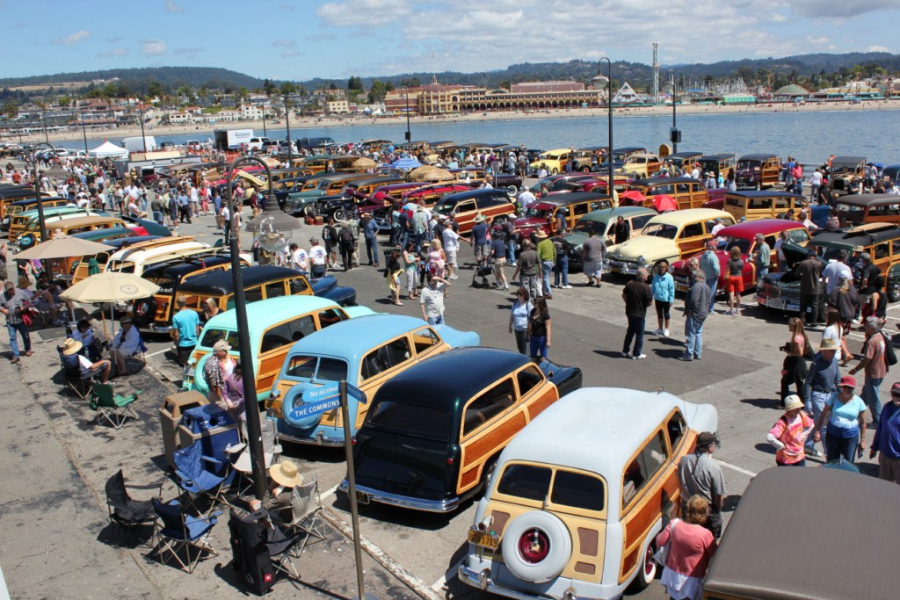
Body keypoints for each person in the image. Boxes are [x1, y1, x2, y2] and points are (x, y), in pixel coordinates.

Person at [655, 495, 717, 600]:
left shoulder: (674, 524)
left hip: (672, 575)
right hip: (692, 580)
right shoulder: (705, 534)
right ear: (704, 513)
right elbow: (715, 555)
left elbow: (659, 542)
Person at [677, 431, 725, 538]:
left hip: (688, 507)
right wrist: (717, 509)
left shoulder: (683, 460)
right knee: (708, 539)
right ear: (710, 447)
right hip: (705, 511)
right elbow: (719, 496)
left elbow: (679, 481)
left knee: (688, 536)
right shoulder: (713, 467)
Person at [813, 374, 868, 463]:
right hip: (833, 435)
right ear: (841, 387)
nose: (847, 389)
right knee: (832, 462)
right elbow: (823, 414)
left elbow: (863, 422)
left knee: (848, 463)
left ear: (853, 389)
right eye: (845, 387)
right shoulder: (834, 397)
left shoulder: (859, 402)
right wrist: (817, 431)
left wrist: (862, 440)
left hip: (850, 437)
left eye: (850, 388)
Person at [849, 317, 888, 426]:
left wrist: (856, 369)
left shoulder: (871, 341)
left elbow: (867, 359)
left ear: (871, 328)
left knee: (873, 398)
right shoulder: (880, 337)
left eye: (866, 325)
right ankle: (854, 412)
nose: (864, 326)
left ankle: (878, 420)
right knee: (866, 394)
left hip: (873, 373)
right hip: (881, 371)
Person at [767, 394, 815, 466]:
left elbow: (811, 425)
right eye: (795, 407)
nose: (798, 409)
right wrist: (780, 446)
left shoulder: (801, 415)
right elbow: (770, 437)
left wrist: (803, 436)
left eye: (798, 407)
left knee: (800, 476)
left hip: (799, 456)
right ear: (789, 409)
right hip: (785, 458)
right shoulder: (783, 421)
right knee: (787, 477)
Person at [870, 382, 900, 484]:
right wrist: (874, 447)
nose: (896, 397)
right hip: (885, 455)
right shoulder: (887, 407)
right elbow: (880, 429)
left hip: (898, 458)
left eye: (899, 395)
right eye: (894, 394)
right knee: (883, 486)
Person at [622, 267, 653, 360]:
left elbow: (623, 296)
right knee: (639, 334)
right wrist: (644, 306)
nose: (648, 275)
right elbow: (650, 302)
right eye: (647, 274)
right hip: (639, 314)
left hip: (630, 312)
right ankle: (636, 353)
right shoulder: (646, 287)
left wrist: (628, 303)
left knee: (630, 332)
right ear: (642, 276)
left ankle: (625, 351)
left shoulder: (629, 284)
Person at [0, 279, 32, 364]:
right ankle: (16, 355)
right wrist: (3, 310)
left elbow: (29, 302)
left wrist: (24, 307)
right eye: (9, 290)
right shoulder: (3, 296)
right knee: (12, 337)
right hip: (10, 320)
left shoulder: (20, 292)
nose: (11, 291)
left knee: (25, 335)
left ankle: (28, 349)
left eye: (12, 289)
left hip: (20, 318)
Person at [780, 317, 810, 406]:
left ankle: (783, 403)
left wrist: (789, 352)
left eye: (790, 325)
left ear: (794, 326)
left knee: (784, 381)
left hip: (796, 363)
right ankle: (802, 403)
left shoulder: (796, 338)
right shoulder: (801, 335)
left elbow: (800, 353)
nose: (788, 327)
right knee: (799, 383)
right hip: (800, 364)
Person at [681, 271, 710, 362]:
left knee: (691, 334)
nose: (692, 279)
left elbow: (693, 301)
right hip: (703, 313)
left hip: (694, 313)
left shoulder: (696, 287)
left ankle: (689, 354)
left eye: (694, 277)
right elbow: (708, 301)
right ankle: (698, 353)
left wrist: (689, 311)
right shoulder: (707, 286)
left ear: (698, 277)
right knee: (698, 333)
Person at [171, 295, 201, 374]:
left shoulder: (176, 317)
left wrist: (176, 344)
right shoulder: (194, 313)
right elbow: (197, 330)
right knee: (193, 363)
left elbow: (176, 334)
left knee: (186, 365)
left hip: (183, 344)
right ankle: (192, 379)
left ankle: (187, 382)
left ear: (178, 304)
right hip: (194, 342)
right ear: (186, 302)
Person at [204, 338, 235, 407]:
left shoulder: (223, 358)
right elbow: (215, 385)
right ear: (219, 352)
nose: (227, 352)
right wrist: (222, 399)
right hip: (218, 395)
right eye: (225, 350)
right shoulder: (212, 364)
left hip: (227, 391)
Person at [797, 247, 823, 327]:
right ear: (814, 256)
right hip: (815, 288)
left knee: (803, 305)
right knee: (814, 306)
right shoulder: (819, 264)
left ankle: (802, 320)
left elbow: (797, 273)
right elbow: (821, 274)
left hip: (804, 287)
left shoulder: (803, 263)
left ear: (808, 255)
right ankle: (813, 321)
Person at [223, 360, 247, 440]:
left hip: (232, 406)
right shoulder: (246, 379)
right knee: (245, 428)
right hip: (243, 407)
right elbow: (247, 396)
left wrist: (229, 402)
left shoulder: (230, 378)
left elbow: (225, 393)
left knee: (235, 427)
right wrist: (239, 402)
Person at [652, 259, 675, 337]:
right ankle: (660, 328)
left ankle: (667, 329)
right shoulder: (656, 276)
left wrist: (671, 299)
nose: (662, 269)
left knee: (666, 314)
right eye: (661, 267)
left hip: (666, 299)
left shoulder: (669, 277)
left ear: (666, 268)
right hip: (658, 298)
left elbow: (671, 289)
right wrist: (651, 295)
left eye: (664, 267)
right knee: (659, 314)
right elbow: (653, 286)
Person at [508, 287, 533, 355]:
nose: (518, 296)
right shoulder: (515, 303)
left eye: (520, 295)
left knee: (526, 349)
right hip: (517, 329)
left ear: (524, 296)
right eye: (517, 294)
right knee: (520, 348)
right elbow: (512, 315)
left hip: (525, 330)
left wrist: (530, 330)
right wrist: (510, 326)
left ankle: (527, 362)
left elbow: (531, 318)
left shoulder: (528, 305)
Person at [698, 240, 720, 313]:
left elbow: (700, 266)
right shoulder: (713, 256)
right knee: (711, 293)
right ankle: (709, 309)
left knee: (705, 293)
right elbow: (716, 268)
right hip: (712, 277)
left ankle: (704, 307)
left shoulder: (703, 255)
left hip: (705, 276)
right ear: (713, 247)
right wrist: (717, 274)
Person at [527, 296, 551, 361]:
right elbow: (530, 322)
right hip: (533, 337)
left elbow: (548, 328)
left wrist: (548, 340)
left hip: (542, 338)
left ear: (540, 304)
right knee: (532, 357)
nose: (534, 304)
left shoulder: (545, 315)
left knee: (543, 358)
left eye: (535, 303)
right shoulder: (533, 311)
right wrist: (529, 333)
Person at [535, 230, 556, 299]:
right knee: (546, 277)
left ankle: (548, 293)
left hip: (545, 261)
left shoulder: (540, 244)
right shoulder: (550, 241)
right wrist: (554, 261)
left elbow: (538, 255)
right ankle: (544, 291)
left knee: (545, 278)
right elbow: (554, 251)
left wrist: (537, 265)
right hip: (551, 261)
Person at [724, 246, 744, 315]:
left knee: (731, 293)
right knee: (738, 294)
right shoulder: (741, 261)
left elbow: (727, 268)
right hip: (739, 277)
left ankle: (731, 309)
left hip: (731, 277)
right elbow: (741, 269)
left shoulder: (729, 261)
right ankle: (738, 308)